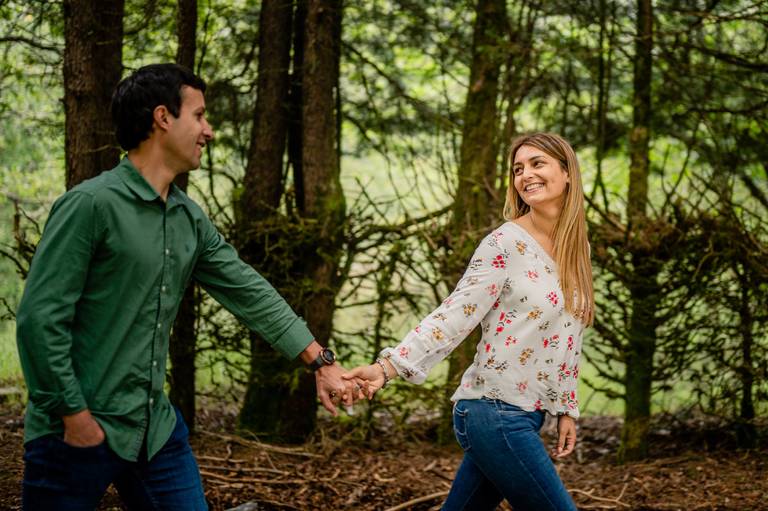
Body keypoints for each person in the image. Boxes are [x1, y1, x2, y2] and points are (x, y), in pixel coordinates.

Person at [16, 63, 361, 511]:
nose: (208, 130)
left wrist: (320, 362)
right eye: (198, 116)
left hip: (154, 432)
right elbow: (40, 321)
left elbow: (247, 290)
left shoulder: (187, 218)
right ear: (163, 118)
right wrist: (74, 416)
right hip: (75, 433)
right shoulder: (90, 206)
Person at [345, 132, 594, 511]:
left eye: (537, 164)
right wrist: (388, 366)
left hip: (528, 414)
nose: (525, 174)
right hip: (493, 412)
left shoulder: (577, 247)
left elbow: (568, 336)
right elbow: (455, 314)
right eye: (518, 168)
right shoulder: (505, 243)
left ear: (567, 173)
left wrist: (565, 408)